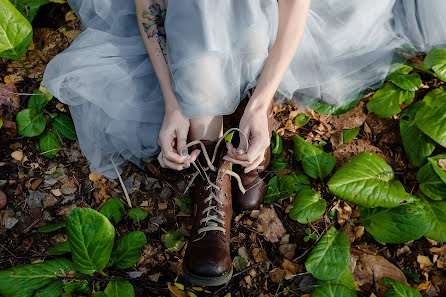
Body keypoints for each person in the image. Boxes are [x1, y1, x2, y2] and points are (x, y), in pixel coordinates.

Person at [43, 0, 446, 286]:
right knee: (197, 11)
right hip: (190, 20)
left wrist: (260, 104)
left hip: (267, 16)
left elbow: (294, 8)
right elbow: (150, 6)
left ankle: (245, 107)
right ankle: (212, 169)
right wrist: (172, 103)